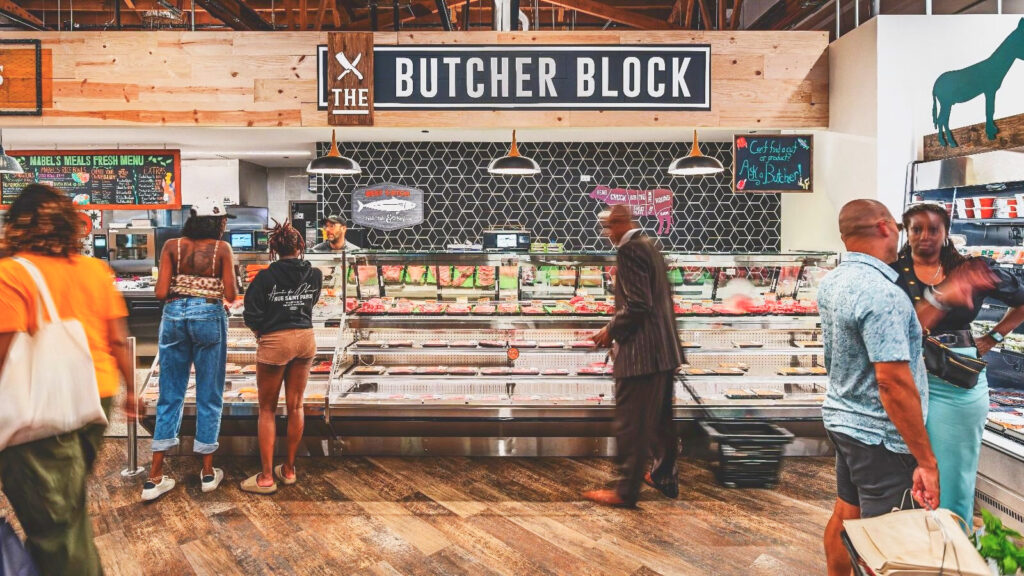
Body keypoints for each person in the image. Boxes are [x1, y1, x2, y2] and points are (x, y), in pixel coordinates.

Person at [818, 199, 996, 576]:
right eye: (901, 227)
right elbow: (893, 383)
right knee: (892, 539)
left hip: (843, 421)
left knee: (846, 515)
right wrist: (927, 461)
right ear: (884, 227)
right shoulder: (884, 295)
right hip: (880, 436)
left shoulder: (834, 281)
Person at [0, 183, 134, 575]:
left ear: (16, 226)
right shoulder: (94, 269)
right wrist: (131, 392)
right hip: (95, 398)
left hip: (41, 402)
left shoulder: (11, 273)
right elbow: (117, 337)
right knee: (66, 507)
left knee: (56, 524)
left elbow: (3, 347)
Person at [893, 202, 1024, 523]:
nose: (925, 236)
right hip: (905, 379)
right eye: (917, 229)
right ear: (906, 233)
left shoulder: (972, 270)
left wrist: (993, 337)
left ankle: (951, 555)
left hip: (958, 382)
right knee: (902, 476)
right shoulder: (893, 274)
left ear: (947, 232)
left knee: (954, 479)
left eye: (933, 229)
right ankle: (907, 556)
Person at [584, 205, 683, 508]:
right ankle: (664, 477)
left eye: (608, 227)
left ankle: (625, 492)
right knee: (661, 422)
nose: (606, 233)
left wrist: (610, 331)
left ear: (620, 223)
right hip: (663, 351)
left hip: (641, 354)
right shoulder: (651, 245)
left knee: (633, 423)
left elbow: (639, 304)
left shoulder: (629, 251)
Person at [143, 197, 237, 502]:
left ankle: (154, 477)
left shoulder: (172, 245)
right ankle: (208, 473)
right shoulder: (222, 249)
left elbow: (160, 292)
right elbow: (233, 294)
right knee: (210, 393)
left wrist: (183, 291)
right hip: (209, 315)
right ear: (218, 223)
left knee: (170, 394)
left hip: (173, 316)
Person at [240, 220, 323, 495]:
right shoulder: (315, 274)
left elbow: (250, 314)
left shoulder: (264, 278)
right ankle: (288, 469)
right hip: (305, 339)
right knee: (296, 406)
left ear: (273, 249)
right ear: (300, 247)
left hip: (276, 342)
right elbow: (310, 303)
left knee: (267, 409)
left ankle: (266, 477)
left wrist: (261, 332)